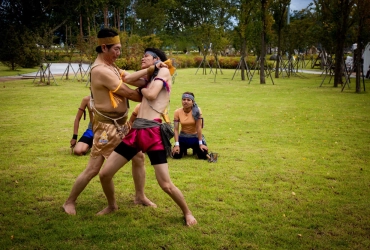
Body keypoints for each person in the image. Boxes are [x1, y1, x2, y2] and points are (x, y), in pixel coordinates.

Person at [97, 48, 197, 226]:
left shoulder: (164, 71)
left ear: (157, 59)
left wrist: (142, 87)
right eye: (142, 56)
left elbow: (150, 94)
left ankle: (187, 213)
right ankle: (112, 206)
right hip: (135, 132)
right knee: (105, 174)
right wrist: (150, 70)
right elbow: (126, 79)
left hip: (152, 133)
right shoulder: (151, 76)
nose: (142, 58)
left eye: (146, 57)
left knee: (165, 184)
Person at [63, 28, 157, 215]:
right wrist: (153, 91)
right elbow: (130, 93)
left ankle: (139, 196)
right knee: (93, 168)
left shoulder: (111, 67)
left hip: (122, 124)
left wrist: (155, 79)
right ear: (104, 47)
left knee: (138, 157)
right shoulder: (100, 71)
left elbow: (131, 79)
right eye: (116, 49)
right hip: (106, 127)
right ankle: (70, 202)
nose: (119, 53)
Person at [172, 92, 209, 160]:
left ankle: (196, 149)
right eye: (184, 99)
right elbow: (176, 129)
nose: (186, 101)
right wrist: (177, 145)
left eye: (188, 100)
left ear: (193, 102)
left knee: (203, 155)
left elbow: (198, 127)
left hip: (195, 137)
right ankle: (183, 150)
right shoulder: (177, 112)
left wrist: (201, 143)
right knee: (176, 155)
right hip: (183, 137)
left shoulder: (197, 111)